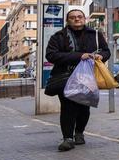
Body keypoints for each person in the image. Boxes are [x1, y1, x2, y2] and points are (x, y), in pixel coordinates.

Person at [44, 9, 111, 152]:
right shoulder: (58, 36)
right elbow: (51, 55)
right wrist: (79, 56)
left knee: (84, 107)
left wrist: (101, 56)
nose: (76, 19)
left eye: (79, 17)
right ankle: (67, 138)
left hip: (87, 77)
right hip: (65, 77)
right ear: (67, 20)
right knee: (68, 107)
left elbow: (106, 51)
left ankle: (79, 132)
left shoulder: (96, 35)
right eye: (73, 17)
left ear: (84, 19)